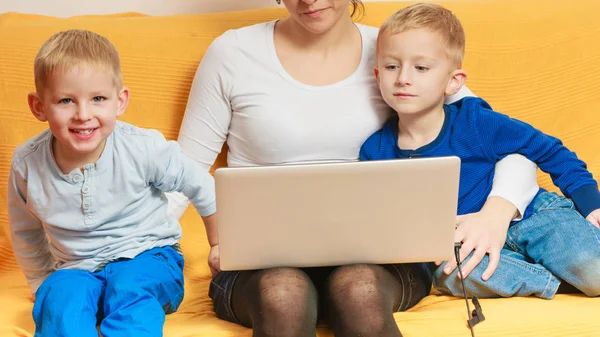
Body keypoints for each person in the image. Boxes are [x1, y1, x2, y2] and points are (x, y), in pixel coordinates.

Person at [167, 1, 540, 336]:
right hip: (262, 259)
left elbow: (508, 140)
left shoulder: (399, 52)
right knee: (283, 294)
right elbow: (183, 171)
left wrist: (498, 211)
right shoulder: (232, 53)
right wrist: (202, 243)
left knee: (358, 289)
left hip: (380, 256)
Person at [360, 3, 600, 300]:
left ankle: (574, 269)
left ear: (453, 81)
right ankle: (554, 282)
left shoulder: (476, 121)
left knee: (594, 271)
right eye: (392, 66)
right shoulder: (374, 151)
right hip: (466, 241)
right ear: (377, 73)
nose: (403, 78)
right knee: (449, 273)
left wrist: (591, 204)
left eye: (421, 68)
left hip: (533, 216)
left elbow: (550, 149)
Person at [7, 29, 217, 337]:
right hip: (76, 268)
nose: (83, 114)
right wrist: (42, 284)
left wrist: (219, 243)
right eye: (66, 100)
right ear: (39, 106)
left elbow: (200, 184)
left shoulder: (141, 147)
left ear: (120, 102)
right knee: (62, 300)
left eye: (98, 99)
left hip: (148, 255)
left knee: (132, 286)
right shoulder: (27, 164)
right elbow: (25, 230)